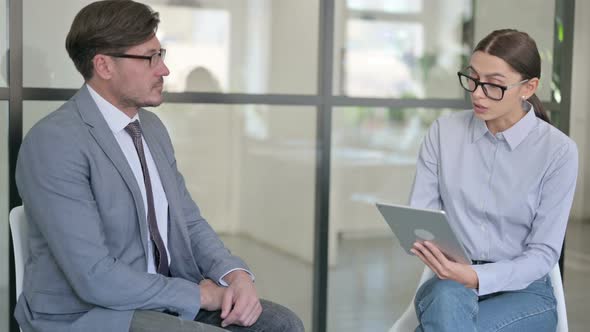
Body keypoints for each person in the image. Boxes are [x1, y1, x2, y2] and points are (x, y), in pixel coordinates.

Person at [14, 1, 304, 332]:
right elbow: (94, 276)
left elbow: (189, 221)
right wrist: (200, 295)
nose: (163, 69)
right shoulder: (55, 143)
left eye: (161, 54)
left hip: (162, 298)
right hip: (92, 312)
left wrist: (234, 274)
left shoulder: (151, 129)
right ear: (104, 66)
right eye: (150, 58)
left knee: (282, 324)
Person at [408, 29, 578, 331]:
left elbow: (543, 253)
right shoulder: (443, 133)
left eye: (493, 86)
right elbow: (422, 215)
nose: (476, 93)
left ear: (529, 88)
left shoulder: (558, 152)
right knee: (447, 300)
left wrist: (476, 277)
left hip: (525, 291)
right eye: (472, 78)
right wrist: (436, 253)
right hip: (449, 284)